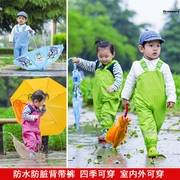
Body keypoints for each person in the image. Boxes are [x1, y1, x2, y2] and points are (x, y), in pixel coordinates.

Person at [121, 29, 176, 157]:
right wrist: (125, 97)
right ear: (141, 48)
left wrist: (171, 97)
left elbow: (169, 83)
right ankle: (151, 147)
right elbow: (129, 82)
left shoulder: (164, 66)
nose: (155, 48)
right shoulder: (137, 66)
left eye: (158, 45)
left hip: (160, 103)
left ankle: (152, 144)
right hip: (142, 102)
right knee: (147, 124)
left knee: (157, 124)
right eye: (151, 45)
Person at [71, 40, 123, 144]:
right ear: (97, 55)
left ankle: (107, 132)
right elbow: (88, 64)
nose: (103, 59)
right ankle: (113, 129)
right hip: (99, 96)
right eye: (101, 56)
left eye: (106, 56)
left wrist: (113, 87)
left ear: (113, 54)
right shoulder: (97, 64)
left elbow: (119, 78)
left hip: (110, 96)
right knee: (99, 114)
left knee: (106, 114)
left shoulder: (114, 66)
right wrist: (79, 61)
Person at [22, 90, 48, 158]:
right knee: (32, 141)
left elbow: (39, 115)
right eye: (42, 102)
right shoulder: (28, 107)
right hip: (28, 129)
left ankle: (34, 153)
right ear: (36, 101)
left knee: (38, 142)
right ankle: (30, 154)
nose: (42, 103)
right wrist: (33, 117)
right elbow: (24, 116)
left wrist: (43, 109)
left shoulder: (37, 108)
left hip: (35, 129)